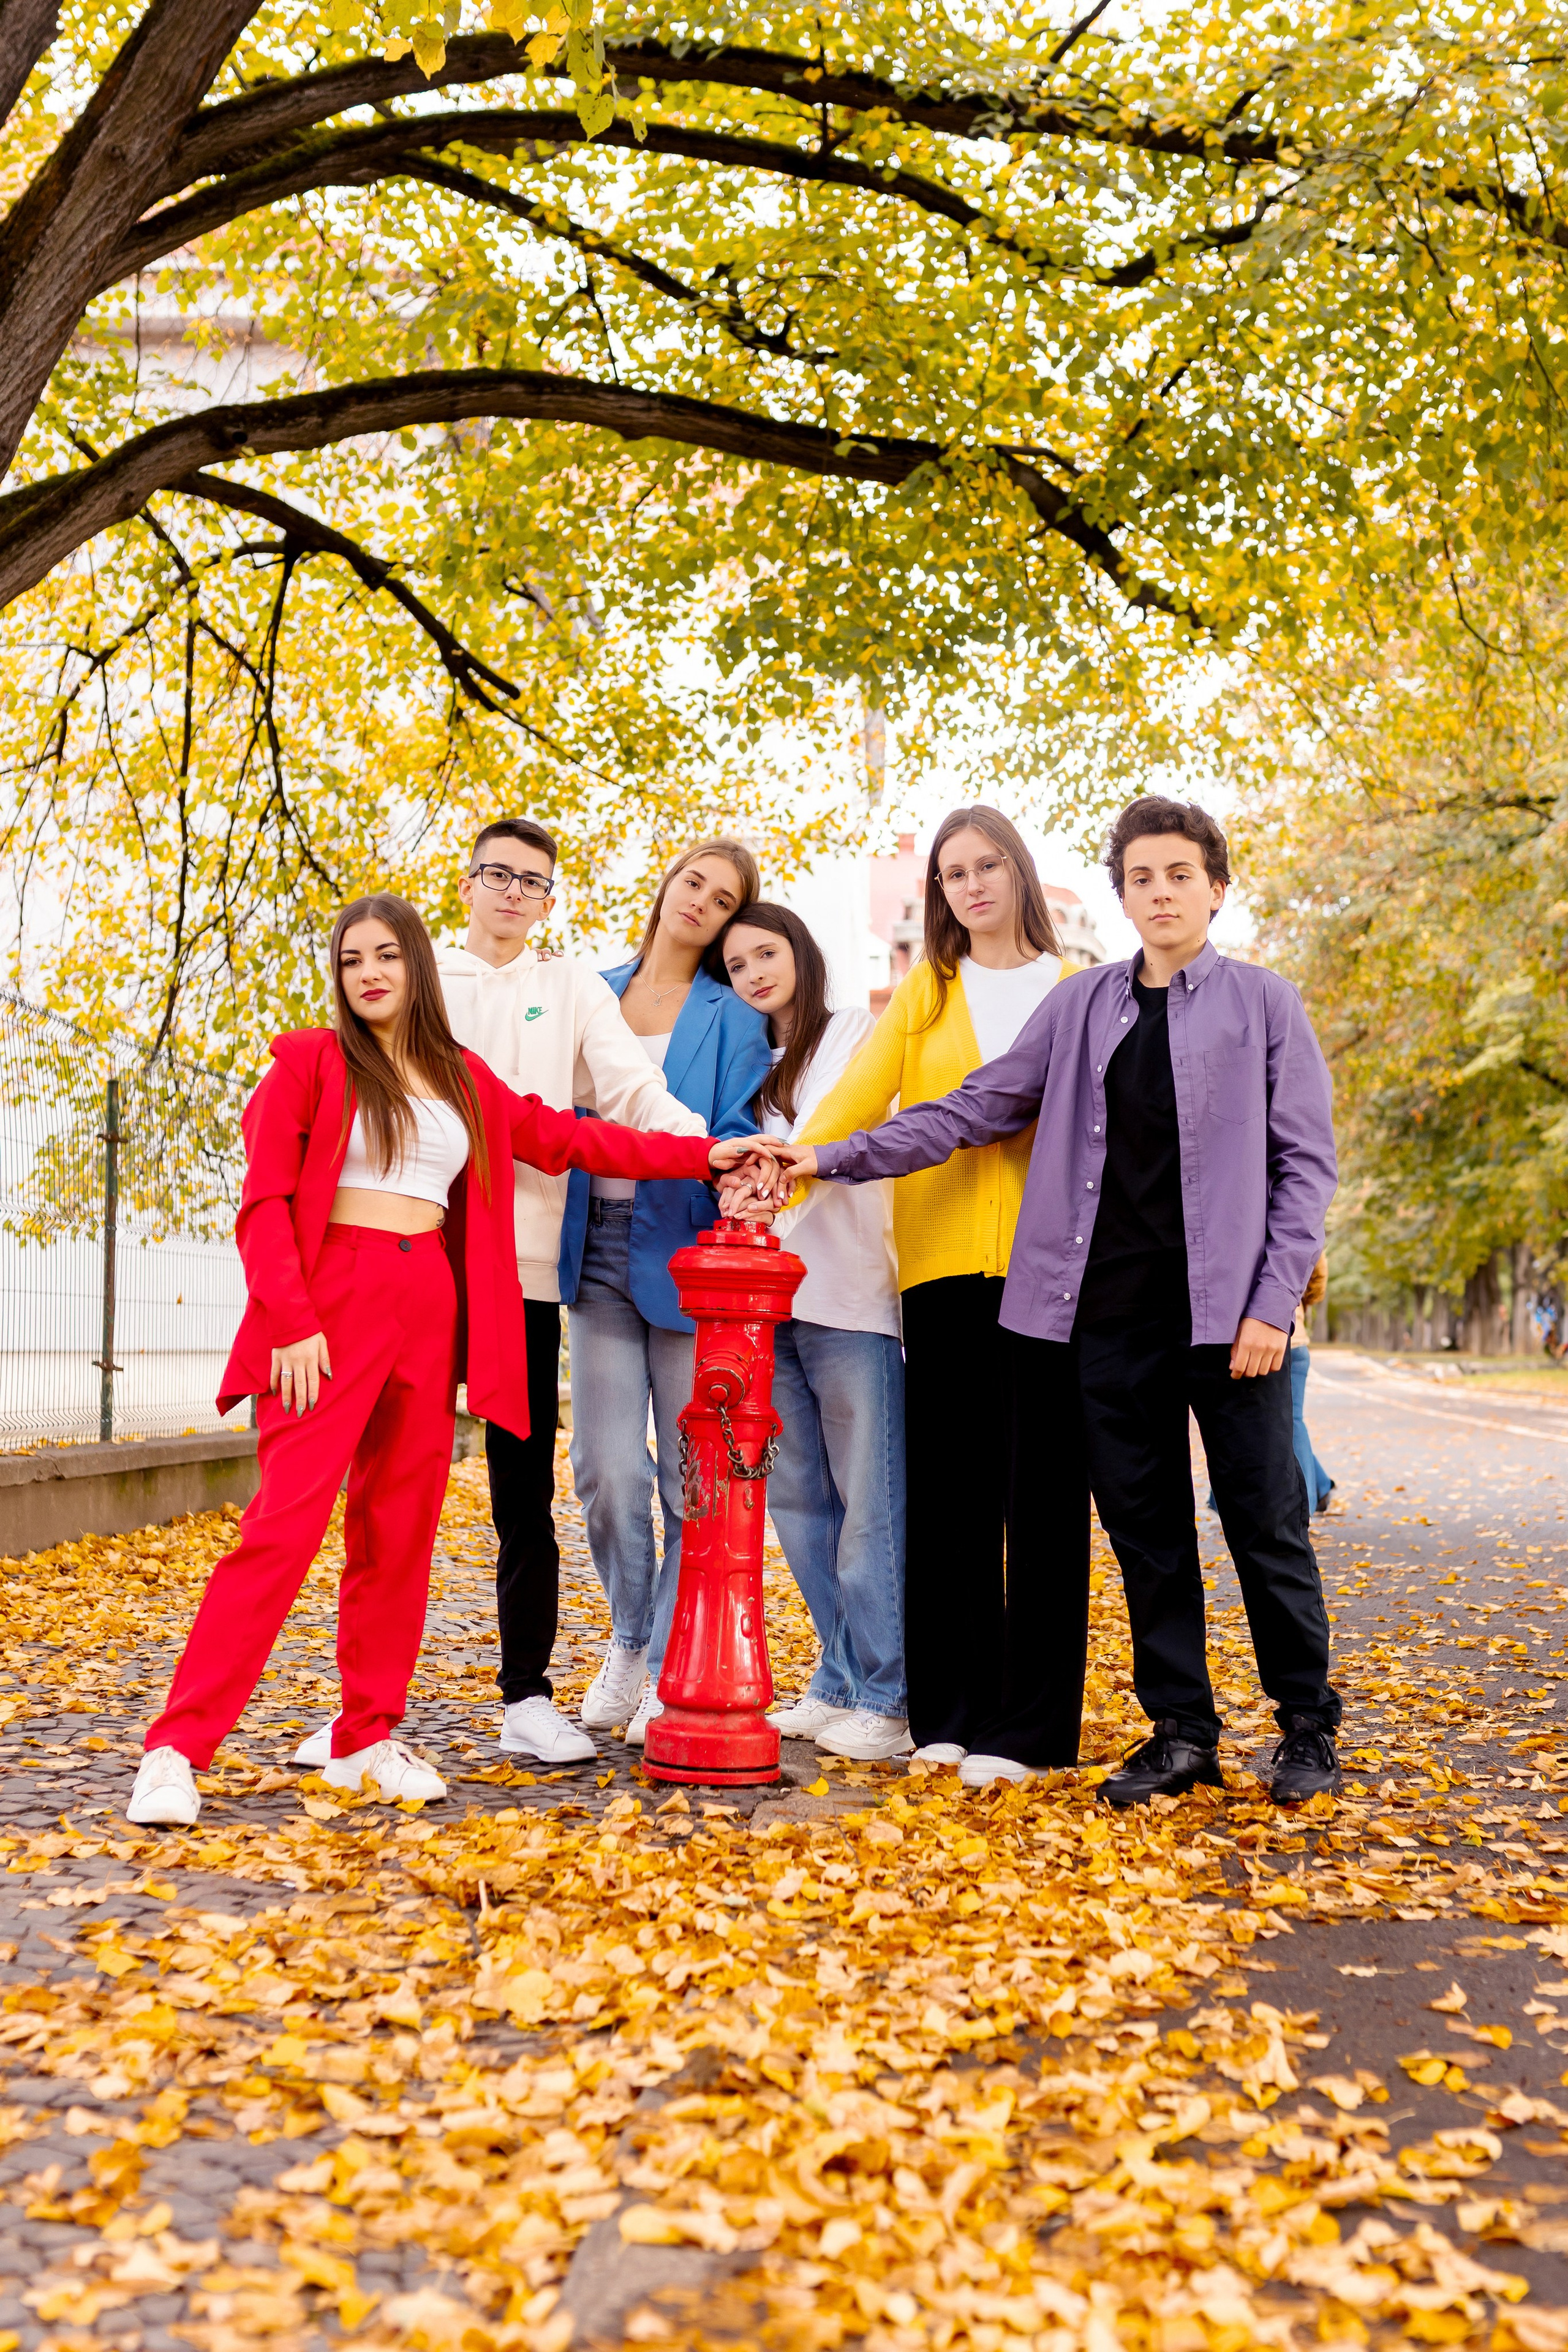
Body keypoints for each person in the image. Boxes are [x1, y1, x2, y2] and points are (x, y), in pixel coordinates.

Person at [126, 894, 771, 1828]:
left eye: (387, 955)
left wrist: (708, 1154)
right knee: (281, 1531)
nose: (369, 973)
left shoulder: (461, 1075)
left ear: (417, 967)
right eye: (352, 961)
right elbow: (264, 1207)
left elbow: (575, 1138)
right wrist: (293, 1321)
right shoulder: (309, 1062)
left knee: (399, 1536)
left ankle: (365, 1733)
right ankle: (176, 1749)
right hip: (327, 1310)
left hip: (427, 1304)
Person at [761, 798, 1342, 1807]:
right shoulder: (1083, 1009)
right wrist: (823, 1156)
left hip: (1229, 1319)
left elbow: (1305, 1167)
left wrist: (1272, 1300)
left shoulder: (1263, 1004)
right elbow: (973, 1109)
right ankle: (1182, 1731)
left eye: (1179, 876)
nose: (1160, 894)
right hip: (1107, 1324)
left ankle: (1305, 1727)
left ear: (1216, 886)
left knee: (1266, 1524)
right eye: (1142, 879)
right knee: (1147, 1537)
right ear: (1122, 897)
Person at [294, 818, 717, 1771]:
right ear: (469, 883)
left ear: (549, 900)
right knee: (378, 1491)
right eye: (498, 875)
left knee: (521, 1493)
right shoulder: (418, 977)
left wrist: (705, 1153)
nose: (514, 893)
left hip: (516, 1276)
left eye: (533, 881)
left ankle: (526, 1695)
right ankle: (360, 1714)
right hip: (396, 1269)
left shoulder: (568, 987)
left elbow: (628, 1092)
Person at [767, 807, 1088, 1791]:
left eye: (990, 864)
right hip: (941, 1269)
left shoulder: (1076, 992)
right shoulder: (927, 992)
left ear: (1020, 873)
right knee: (950, 1501)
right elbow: (855, 1107)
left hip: (1051, 1279)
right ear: (939, 895)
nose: (973, 884)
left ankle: (1031, 1727)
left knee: (1040, 1503)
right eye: (953, 874)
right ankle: (950, 1714)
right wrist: (785, 1180)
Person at [557, 839, 772, 1747]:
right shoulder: (589, 992)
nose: (700, 903)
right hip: (593, 1253)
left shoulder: (733, 1020)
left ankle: (677, 1655)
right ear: (665, 884)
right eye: (692, 882)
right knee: (606, 1471)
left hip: (687, 1263)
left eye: (722, 899)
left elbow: (728, 1134)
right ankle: (631, 1642)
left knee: (695, 1477)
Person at [718, 903, 908, 1762]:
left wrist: (766, 1168)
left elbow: (827, 1136)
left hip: (847, 1297)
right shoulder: (746, 1064)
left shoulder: (852, 1033)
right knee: (799, 1504)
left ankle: (890, 1692)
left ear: (800, 949)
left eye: (766, 952)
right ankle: (837, 1675)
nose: (755, 972)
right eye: (736, 965)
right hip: (770, 1307)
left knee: (869, 1505)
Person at [1294, 1254, 1334, 1513]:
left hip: (1285, 1342)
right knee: (1286, 1423)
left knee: (1290, 1424)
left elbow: (1318, 1268)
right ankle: (1320, 1486)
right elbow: (1318, 1270)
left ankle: (1304, 1507)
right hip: (1295, 1341)